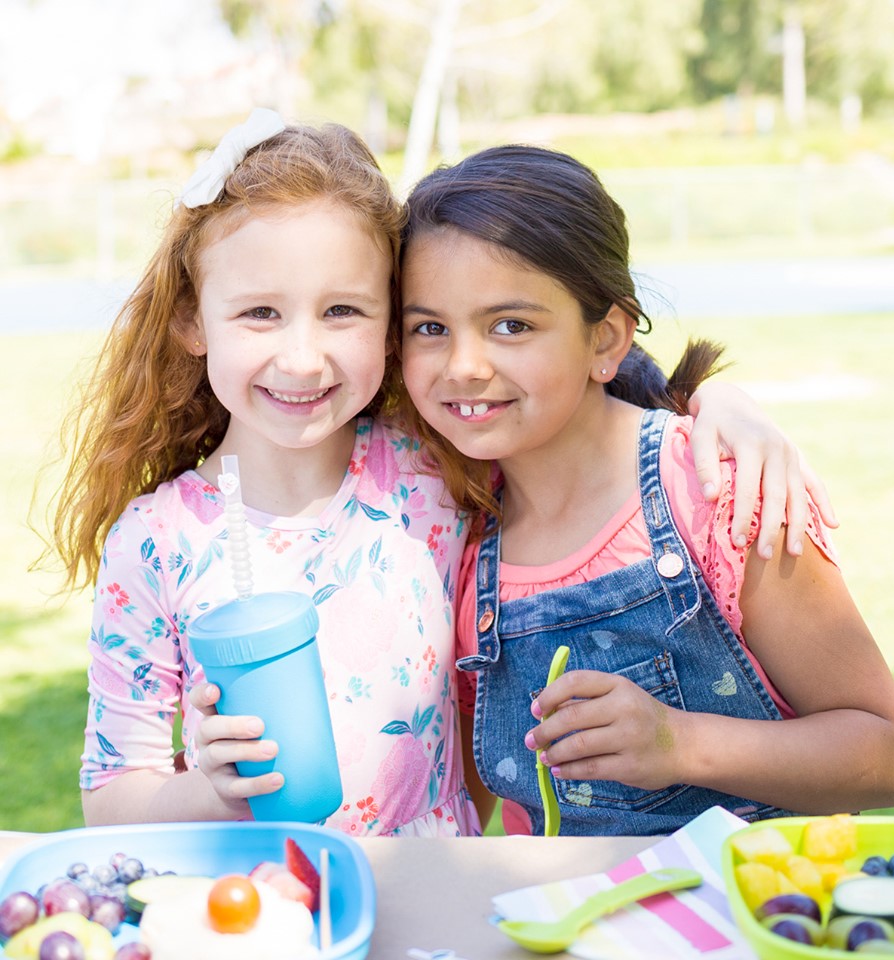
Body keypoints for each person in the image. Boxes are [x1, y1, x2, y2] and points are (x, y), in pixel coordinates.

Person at [46, 111, 837, 836]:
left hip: (438, 892)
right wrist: (208, 791)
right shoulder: (152, 544)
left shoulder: (432, 469)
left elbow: (568, 405)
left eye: (342, 311)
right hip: (261, 911)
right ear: (192, 320)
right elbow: (112, 797)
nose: (301, 355)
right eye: (260, 312)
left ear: (392, 326)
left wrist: (715, 404)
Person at [394, 143, 894, 836]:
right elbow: (474, 804)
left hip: (742, 928)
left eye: (512, 325)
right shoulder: (453, 532)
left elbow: (890, 754)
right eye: (429, 328)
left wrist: (680, 743)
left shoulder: (717, 494)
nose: (463, 365)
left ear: (607, 339)